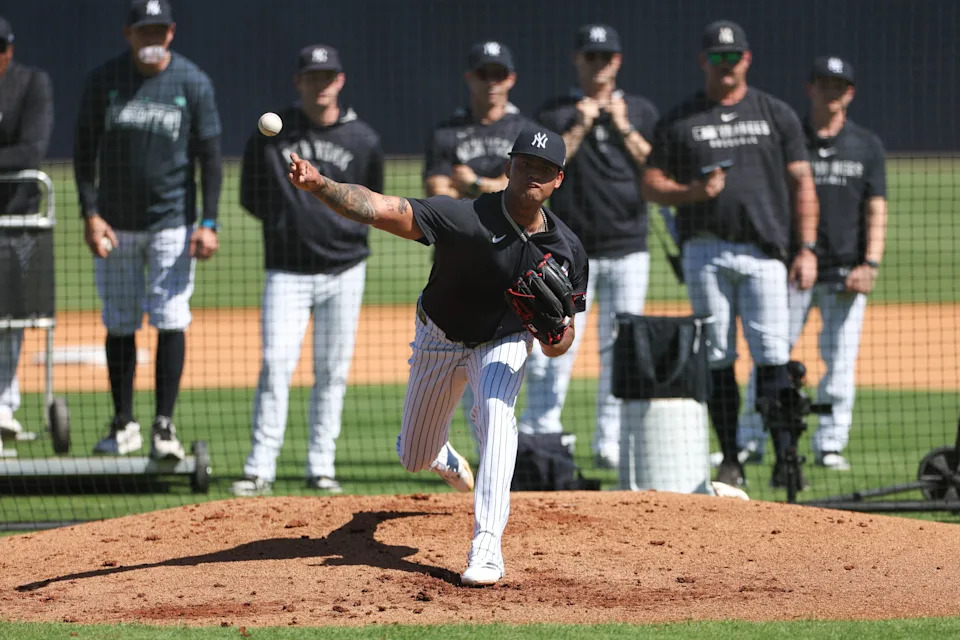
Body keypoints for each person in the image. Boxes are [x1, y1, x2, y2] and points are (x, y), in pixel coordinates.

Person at [286, 125, 587, 586]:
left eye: (544, 169)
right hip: (439, 338)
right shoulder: (463, 217)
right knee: (413, 455)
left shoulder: (567, 251)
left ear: (558, 180)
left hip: (503, 342)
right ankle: (441, 455)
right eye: (526, 163)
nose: (533, 174)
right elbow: (381, 208)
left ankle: (487, 546)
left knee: (495, 416)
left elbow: (560, 344)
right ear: (509, 167)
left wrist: (553, 333)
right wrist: (321, 185)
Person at [641, 20, 819, 488]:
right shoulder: (682, 119)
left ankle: (786, 457)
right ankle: (732, 456)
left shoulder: (775, 113)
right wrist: (694, 191)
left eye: (733, 56)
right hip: (706, 251)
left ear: (747, 59)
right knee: (718, 355)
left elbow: (803, 181)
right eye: (717, 57)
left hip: (766, 253)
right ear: (704, 61)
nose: (726, 64)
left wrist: (807, 249)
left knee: (773, 353)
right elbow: (651, 184)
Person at [231, 44, 384, 496]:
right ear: (298, 82)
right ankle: (261, 467)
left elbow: (371, 201)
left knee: (332, 371)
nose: (320, 83)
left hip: (345, 269)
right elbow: (250, 194)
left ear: (340, 80)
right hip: (287, 270)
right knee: (276, 364)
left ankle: (321, 465)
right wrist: (285, 224)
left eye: (327, 76)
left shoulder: (363, 139)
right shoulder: (271, 134)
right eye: (311, 76)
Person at [74, 0, 222, 460]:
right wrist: (90, 214)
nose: (152, 40)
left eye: (159, 31)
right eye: (144, 32)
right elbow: (83, 152)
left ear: (172, 33)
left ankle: (163, 426)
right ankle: (123, 423)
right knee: (119, 320)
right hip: (115, 225)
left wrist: (209, 221)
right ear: (129, 34)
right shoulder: (105, 80)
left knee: (170, 316)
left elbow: (211, 159)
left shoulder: (192, 82)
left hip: (170, 224)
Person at [736, 57, 886, 472]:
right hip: (793, 271)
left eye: (840, 85)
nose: (832, 92)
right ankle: (751, 440)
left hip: (845, 273)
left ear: (850, 92)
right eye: (825, 84)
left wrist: (871, 262)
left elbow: (876, 209)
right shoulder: (791, 137)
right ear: (811, 88)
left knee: (840, 361)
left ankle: (830, 443)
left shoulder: (866, 145)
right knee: (771, 355)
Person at [526, 23, 659, 469]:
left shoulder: (638, 110)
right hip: (571, 247)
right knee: (559, 336)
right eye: (591, 57)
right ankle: (541, 430)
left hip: (629, 245)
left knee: (618, 346)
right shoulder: (556, 113)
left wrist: (622, 127)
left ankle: (611, 441)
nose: (599, 64)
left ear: (617, 62)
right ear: (577, 60)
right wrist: (579, 126)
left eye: (606, 57)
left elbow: (657, 168)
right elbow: (542, 171)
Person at [423, 40, 533, 436]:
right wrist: (494, 190)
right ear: (469, 77)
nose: (491, 82)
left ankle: (510, 455)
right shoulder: (447, 132)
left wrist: (471, 183)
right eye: (483, 73)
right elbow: (438, 197)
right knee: (450, 368)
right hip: (457, 267)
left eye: (498, 73)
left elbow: (521, 195)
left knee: (504, 374)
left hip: (510, 266)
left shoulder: (525, 131)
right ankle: (445, 445)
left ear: (511, 79)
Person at [0, 16, 54, 449]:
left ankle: (4, 403)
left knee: (11, 316)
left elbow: (32, 150)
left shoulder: (31, 83)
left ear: (10, 49)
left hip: (16, 221)